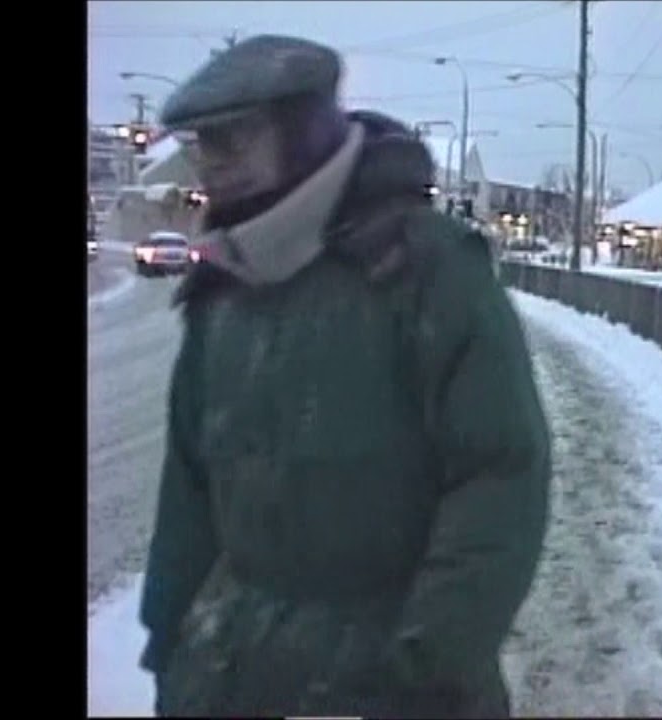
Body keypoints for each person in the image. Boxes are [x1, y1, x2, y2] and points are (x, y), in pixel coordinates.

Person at [137, 35, 552, 718]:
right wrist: (171, 646)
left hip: (399, 682)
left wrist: (428, 660)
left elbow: (501, 475)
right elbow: (188, 490)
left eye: (233, 138)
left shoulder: (428, 268)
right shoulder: (224, 285)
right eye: (200, 142)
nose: (209, 163)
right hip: (230, 676)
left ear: (303, 131)